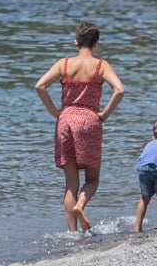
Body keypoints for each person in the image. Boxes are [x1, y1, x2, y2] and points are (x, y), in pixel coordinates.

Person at [35, 20, 125, 233]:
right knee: (92, 180)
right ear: (96, 44)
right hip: (89, 121)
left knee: (70, 184)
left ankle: (73, 234)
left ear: (76, 42)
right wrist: (104, 114)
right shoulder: (101, 65)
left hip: (65, 120)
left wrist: (55, 112)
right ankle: (80, 205)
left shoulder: (64, 64)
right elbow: (119, 90)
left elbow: (39, 86)